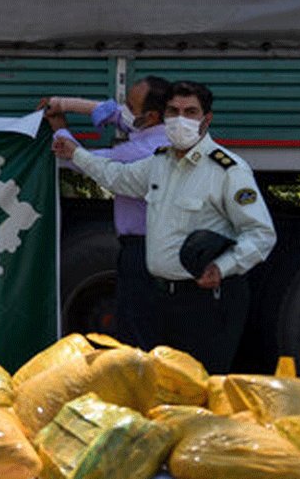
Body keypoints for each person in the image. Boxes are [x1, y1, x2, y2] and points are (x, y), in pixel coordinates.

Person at [52, 80, 276, 373]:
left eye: (191, 112)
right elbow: (117, 177)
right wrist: (75, 154)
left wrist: (224, 266)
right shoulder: (159, 162)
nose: (181, 119)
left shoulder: (228, 170)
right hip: (162, 298)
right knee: (159, 385)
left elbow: (261, 234)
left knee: (198, 388)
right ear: (163, 115)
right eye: (174, 110)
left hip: (206, 301)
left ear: (206, 119)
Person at [42, 75, 171, 349]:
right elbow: (112, 113)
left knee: (136, 325)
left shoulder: (139, 152)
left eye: (131, 106)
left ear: (150, 116)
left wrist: (59, 127)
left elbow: (81, 161)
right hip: (157, 247)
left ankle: (138, 381)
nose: (124, 110)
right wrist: (62, 103)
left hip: (142, 250)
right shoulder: (161, 133)